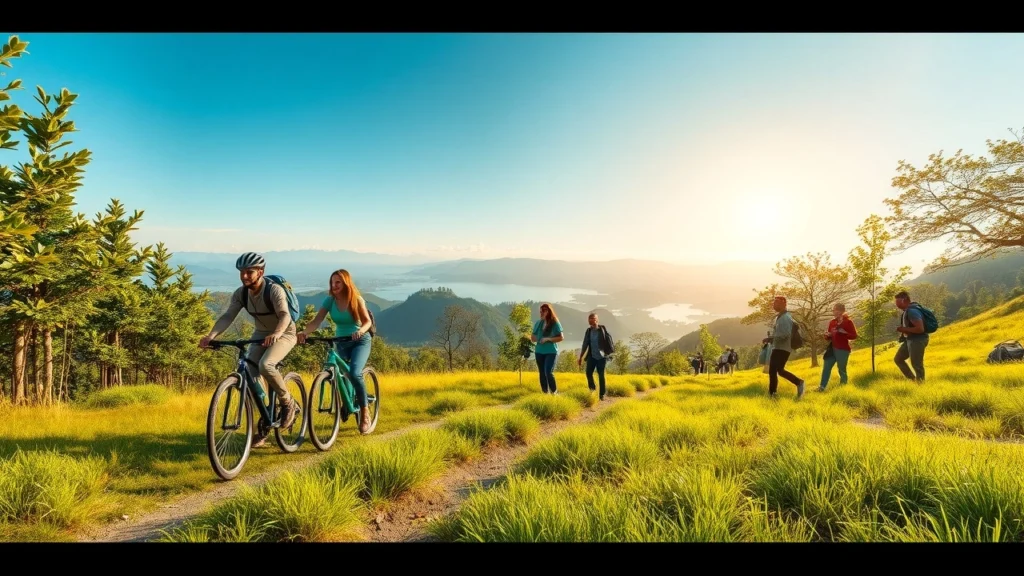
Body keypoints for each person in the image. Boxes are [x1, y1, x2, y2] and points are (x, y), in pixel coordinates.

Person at [200, 252, 299, 447]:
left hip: (285, 332)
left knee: (266, 365)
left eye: (249, 272)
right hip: (261, 333)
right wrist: (211, 336)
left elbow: (285, 315)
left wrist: (277, 333)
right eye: (242, 272)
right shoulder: (241, 293)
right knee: (249, 372)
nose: (244, 276)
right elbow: (228, 316)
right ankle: (266, 417)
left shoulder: (274, 290)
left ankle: (288, 402)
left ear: (260, 272)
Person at [297, 269, 374, 432]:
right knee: (338, 372)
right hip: (341, 342)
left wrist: (360, 331)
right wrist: (305, 332)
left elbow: (367, 322)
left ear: (346, 283)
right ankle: (345, 402)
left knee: (354, 373)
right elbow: (317, 321)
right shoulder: (330, 300)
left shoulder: (356, 299)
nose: (334, 285)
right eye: (332, 282)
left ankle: (365, 412)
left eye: (338, 282)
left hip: (360, 341)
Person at [762, 295, 805, 399]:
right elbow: (781, 333)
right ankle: (798, 382)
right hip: (779, 347)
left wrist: (772, 339)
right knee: (779, 371)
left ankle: (772, 394)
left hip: (782, 348)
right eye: (774, 303)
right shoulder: (780, 316)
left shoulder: (785, 317)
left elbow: (786, 334)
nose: (774, 305)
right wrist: (772, 338)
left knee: (773, 370)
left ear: (784, 304)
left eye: (776, 303)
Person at [819, 302, 858, 391]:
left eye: (835, 310)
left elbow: (854, 336)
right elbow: (829, 337)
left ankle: (843, 387)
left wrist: (845, 333)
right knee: (826, 368)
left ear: (841, 311)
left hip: (843, 349)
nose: (833, 312)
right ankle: (822, 387)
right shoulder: (832, 322)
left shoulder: (848, 322)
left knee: (841, 370)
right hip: (831, 349)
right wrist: (827, 335)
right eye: (833, 310)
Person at [577, 312, 614, 400]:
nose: (591, 320)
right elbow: (585, 344)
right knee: (588, 373)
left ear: (597, 320)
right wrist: (581, 357)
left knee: (601, 375)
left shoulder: (602, 330)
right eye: (589, 318)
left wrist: (608, 353)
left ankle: (602, 394)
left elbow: (608, 342)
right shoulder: (588, 331)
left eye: (593, 318)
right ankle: (592, 390)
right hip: (592, 356)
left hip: (602, 357)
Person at [893, 290, 928, 382]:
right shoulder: (907, 311)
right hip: (909, 339)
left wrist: (903, 329)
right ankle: (913, 380)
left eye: (897, 302)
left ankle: (920, 384)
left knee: (917, 364)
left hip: (918, 340)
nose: (896, 304)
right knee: (898, 359)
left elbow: (920, 329)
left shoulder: (912, 311)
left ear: (904, 300)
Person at [531, 303, 563, 394]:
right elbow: (533, 338)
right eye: (540, 311)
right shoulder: (538, 323)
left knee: (548, 372)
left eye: (544, 311)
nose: (541, 313)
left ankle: (554, 392)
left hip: (551, 352)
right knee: (542, 373)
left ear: (549, 311)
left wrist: (548, 339)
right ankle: (545, 393)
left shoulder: (555, 323)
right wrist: (539, 339)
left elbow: (561, 337)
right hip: (539, 352)